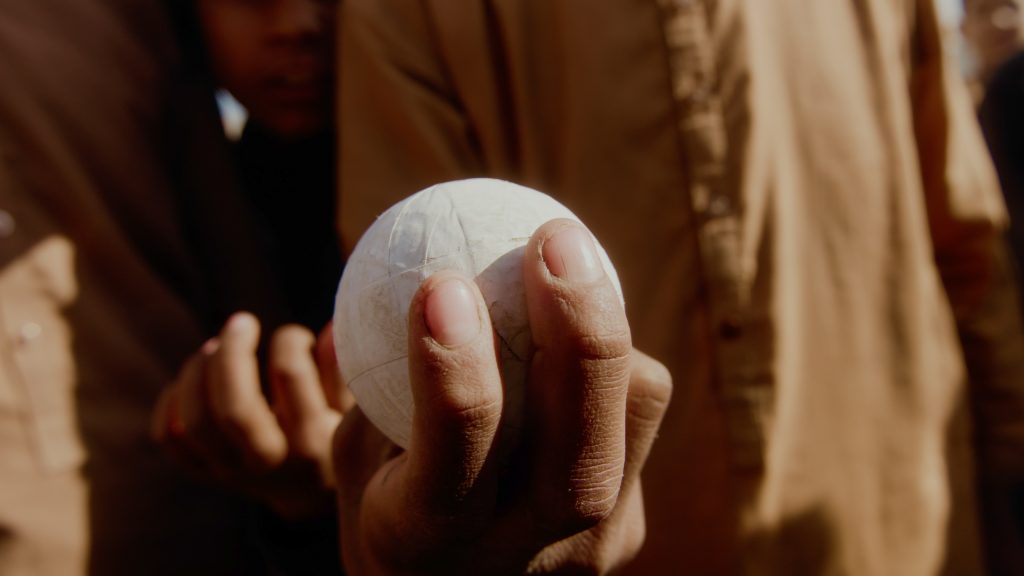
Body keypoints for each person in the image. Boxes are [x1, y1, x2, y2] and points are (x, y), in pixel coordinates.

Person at [336, 0, 1024, 573]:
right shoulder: (410, 13)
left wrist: (1011, 475)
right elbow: (401, 348)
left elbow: (968, 252)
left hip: (905, 536)